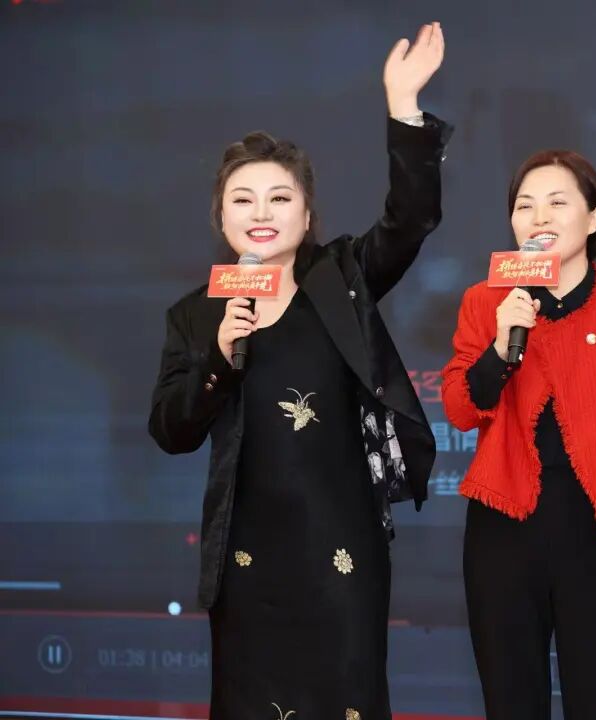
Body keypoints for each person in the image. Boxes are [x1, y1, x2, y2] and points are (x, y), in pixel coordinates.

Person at [148, 23, 449, 720]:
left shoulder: (341, 276)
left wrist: (403, 108)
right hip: (248, 558)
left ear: (307, 214)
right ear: (221, 217)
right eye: (243, 200)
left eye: (280, 198)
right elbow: (170, 429)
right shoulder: (195, 314)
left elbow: (409, 221)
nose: (262, 213)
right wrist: (220, 355)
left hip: (343, 545)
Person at [442, 150, 596, 719]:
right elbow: (460, 409)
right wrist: (501, 346)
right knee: (511, 702)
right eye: (524, 206)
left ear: (594, 218)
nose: (538, 217)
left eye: (556, 202)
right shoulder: (486, 301)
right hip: (503, 529)